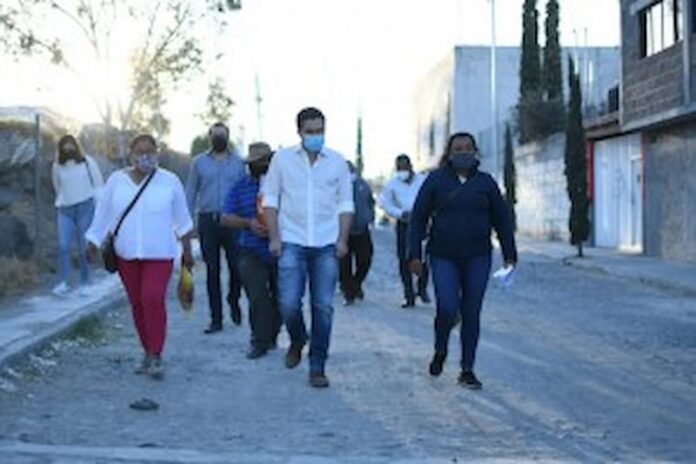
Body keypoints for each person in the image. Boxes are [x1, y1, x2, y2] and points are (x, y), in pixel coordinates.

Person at [408, 132, 517, 390]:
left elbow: (502, 220)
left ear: (475, 152)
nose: (463, 153)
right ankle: (440, 349)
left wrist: (510, 254)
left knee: (471, 312)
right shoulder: (435, 181)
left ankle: (467, 369)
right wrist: (414, 254)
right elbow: (418, 219)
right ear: (449, 152)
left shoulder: (486, 183)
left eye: (468, 148)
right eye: (458, 149)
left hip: (478, 256)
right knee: (447, 307)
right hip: (443, 255)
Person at [86, 134, 194, 379]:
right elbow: (102, 215)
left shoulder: (170, 181)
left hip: (160, 253)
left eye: (150, 151)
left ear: (157, 153)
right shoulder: (116, 181)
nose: (145, 156)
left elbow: (183, 219)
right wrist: (93, 240)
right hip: (126, 253)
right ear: (131, 154)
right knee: (137, 304)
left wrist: (187, 249)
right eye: (140, 151)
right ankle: (147, 351)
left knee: (152, 298)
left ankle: (156, 354)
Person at [262, 107, 353, 388]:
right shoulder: (282, 160)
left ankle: (317, 366)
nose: (316, 136)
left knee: (323, 306)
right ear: (299, 132)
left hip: (326, 243)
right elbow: (271, 199)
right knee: (289, 303)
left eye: (320, 131)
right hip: (291, 240)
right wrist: (274, 237)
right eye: (310, 131)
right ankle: (298, 338)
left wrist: (342, 239)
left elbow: (345, 204)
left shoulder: (337, 162)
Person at [222, 142, 281, 360]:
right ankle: (259, 341)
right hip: (250, 250)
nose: (260, 166)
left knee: (283, 298)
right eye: (255, 163)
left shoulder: (283, 186)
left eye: (264, 162)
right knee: (257, 297)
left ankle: (272, 334)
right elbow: (226, 216)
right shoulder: (240, 187)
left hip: (280, 250)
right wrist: (248, 223)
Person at [186, 122, 246, 334]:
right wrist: (188, 223)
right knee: (212, 270)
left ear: (227, 137)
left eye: (222, 135)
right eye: (215, 135)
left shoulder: (239, 163)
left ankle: (233, 299)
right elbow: (191, 191)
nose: (218, 138)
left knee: (237, 268)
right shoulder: (199, 163)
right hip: (208, 221)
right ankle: (216, 319)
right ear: (210, 137)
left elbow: (244, 190)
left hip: (233, 221)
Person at [51, 134, 104, 297]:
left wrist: (100, 207)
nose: (68, 148)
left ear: (76, 146)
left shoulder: (87, 162)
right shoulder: (57, 166)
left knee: (83, 247)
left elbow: (98, 183)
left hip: (85, 206)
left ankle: (85, 282)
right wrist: (64, 200)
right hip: (65, 209)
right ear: (60, 148)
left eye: (70, 145)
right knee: (63, 246)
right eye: (64, 146)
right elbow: (57, 186)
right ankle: (64, 282)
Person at [378, 154, 430, 308]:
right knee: (403, 258)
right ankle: (409, 295)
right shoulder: (392, 183)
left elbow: (430, 197)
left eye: (404, 167)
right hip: (404, 223)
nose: (402, 170)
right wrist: (399, 213)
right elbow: (384, 203)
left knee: (424, 257)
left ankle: (422, 288)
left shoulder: (422, 180)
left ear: (410, 166)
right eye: (399, 168)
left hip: (422, 222)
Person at [339, 161, 375, 306]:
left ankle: (355, 283)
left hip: (361, 229)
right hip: (342, 229)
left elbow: (370, 202)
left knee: (365, 259)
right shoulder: (336, 186)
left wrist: (370, 217)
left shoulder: (363, 185)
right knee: (343, 264)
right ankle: (349, 292)